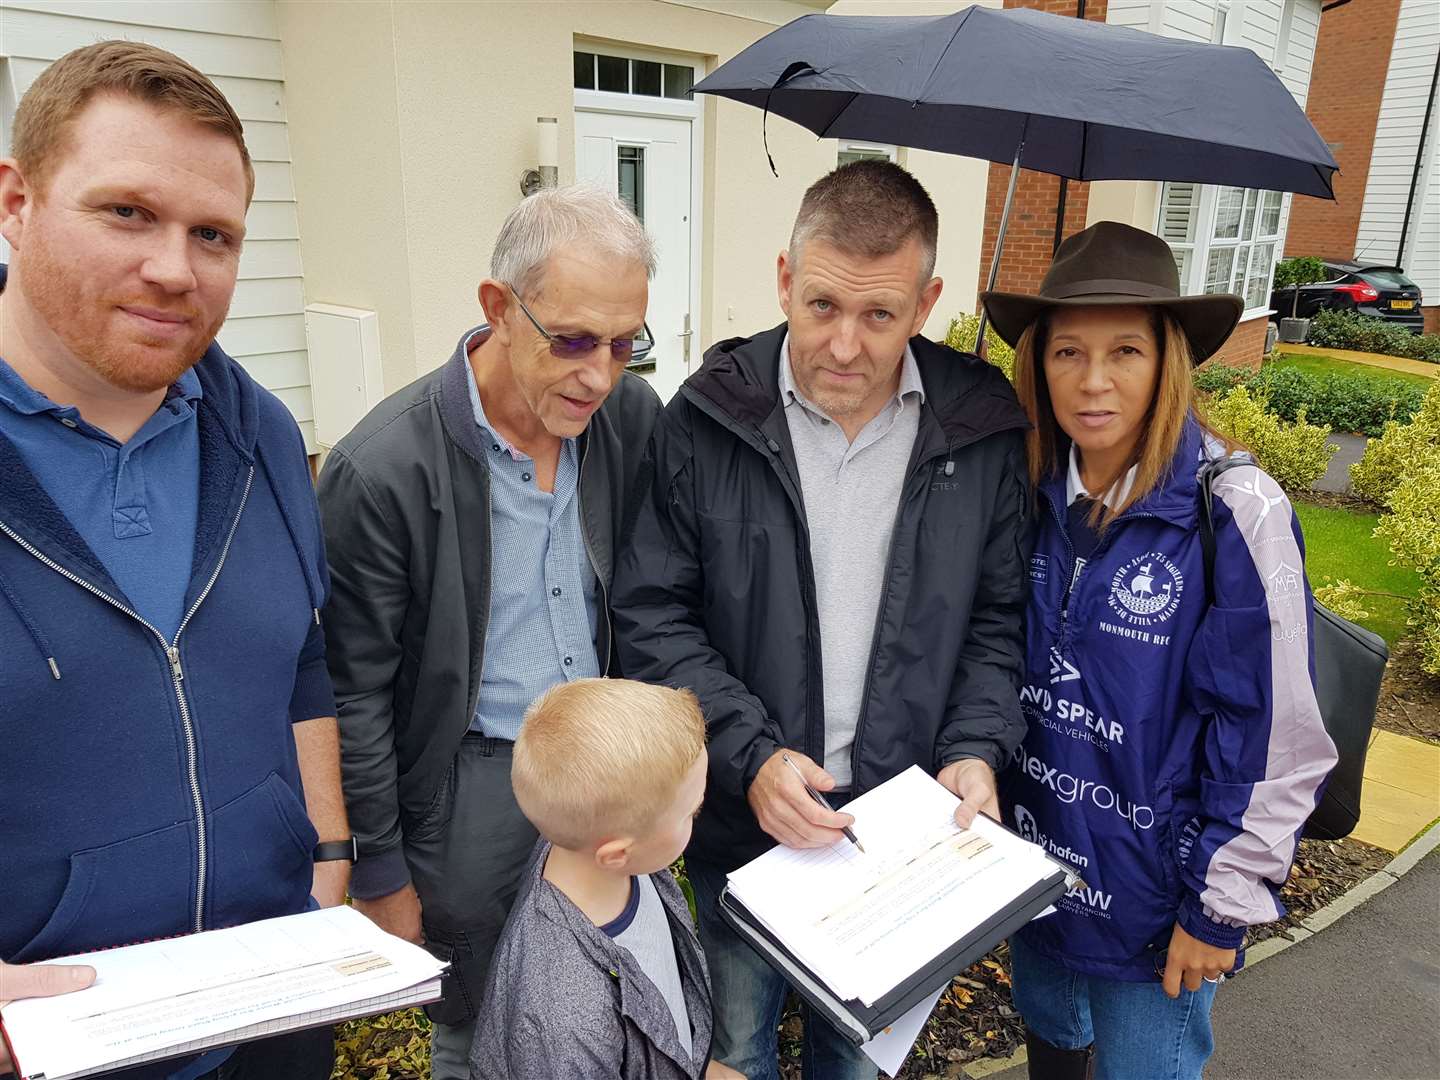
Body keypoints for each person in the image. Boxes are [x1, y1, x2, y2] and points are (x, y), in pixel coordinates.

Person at [612, 160, 1031, 1080]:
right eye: (821, 306)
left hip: (900, 837)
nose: (844, 345)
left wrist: (975, 746)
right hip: (740, 827)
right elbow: (652, 615)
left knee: (855, 1069)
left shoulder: (981, 428)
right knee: (734, 1057)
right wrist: (750, 758)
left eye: (879, 315)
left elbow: (999, 621)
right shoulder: (709, 416)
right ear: (782, 280)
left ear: (926, 304)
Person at [0, 42, 349, 1080]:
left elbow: (301, 659)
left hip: (271, 1023)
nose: (174, 267)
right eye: (126, 213)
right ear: (15, 201)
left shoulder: (264, 439)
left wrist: (328, 858)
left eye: (213, 235)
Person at [979, 221, 1338, 1080]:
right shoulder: (1024, 488)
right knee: (1053, 1049)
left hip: (1157, 909)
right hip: (1037, 875)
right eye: (1067, 351)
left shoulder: (1232, 509)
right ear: (1038, 363)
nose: (1092, 381)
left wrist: (1220, 908)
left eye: (1125, 352)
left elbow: (1276, 738)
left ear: (1167, 359)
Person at [318, 184, 662, 1077]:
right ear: (498, 308)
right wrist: (382, 874)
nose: (601, 373)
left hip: (608, 782)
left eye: (626, 343)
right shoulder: (384, 467)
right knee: (478, 1029)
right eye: (576, 340)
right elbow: (350, 689)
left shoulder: (626, 420)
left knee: (618, 1003)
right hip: (472, 795)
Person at [469, 679, 743, 1080]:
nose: (699, 813)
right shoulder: (564, 1024)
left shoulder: (586, 851)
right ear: (616, 853)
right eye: (689, 813)